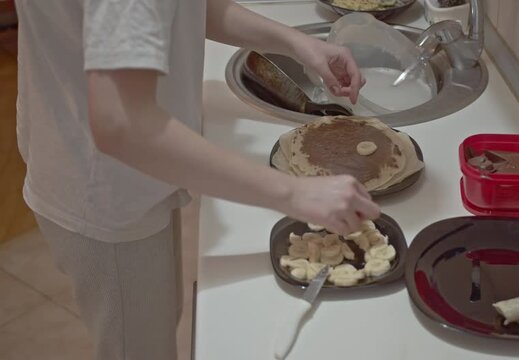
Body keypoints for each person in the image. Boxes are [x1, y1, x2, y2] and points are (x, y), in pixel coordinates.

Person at [14, 0, 380, 359]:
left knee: (159, 320)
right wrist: (296, 193)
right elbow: (121, 122)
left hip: (125, 168)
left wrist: (296, 44)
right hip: (108, 188)